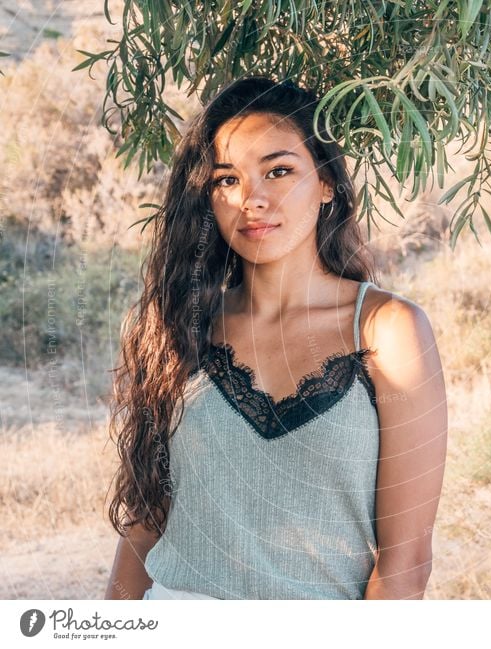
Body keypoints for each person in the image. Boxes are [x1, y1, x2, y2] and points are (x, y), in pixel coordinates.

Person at [103, 76, 448, 600]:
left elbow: (405, 563)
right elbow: (147, 520)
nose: (252, 201)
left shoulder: (388, 329)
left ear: (328, 182)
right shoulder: (179, 324)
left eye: (279, 171)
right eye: (227, 181)